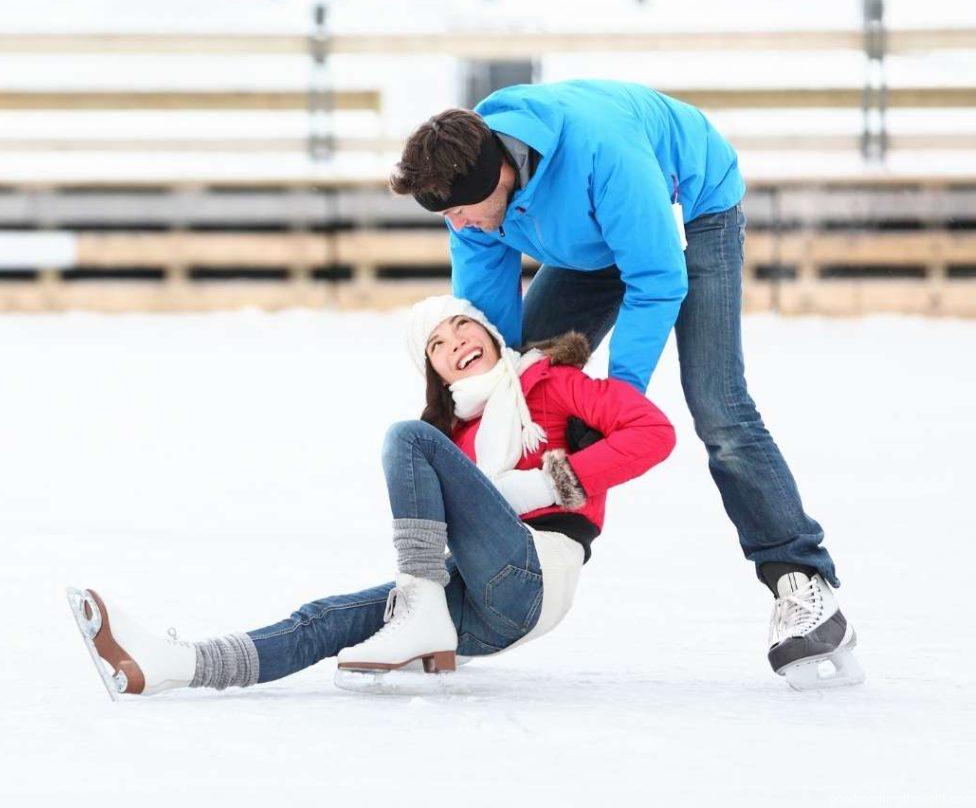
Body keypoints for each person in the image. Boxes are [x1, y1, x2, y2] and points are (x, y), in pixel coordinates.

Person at [388, 80, 864, 689]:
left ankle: (802, 582)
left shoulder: (602, 153)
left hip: (692, 210)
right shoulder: (467, 183)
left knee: (718, 406)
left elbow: (657, 279)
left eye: (459, 211)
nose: (457, 225)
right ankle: (504, 554)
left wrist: (621, 399)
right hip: (594, 237)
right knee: (523, 380)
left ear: (499, 176)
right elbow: (493, 346)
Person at [67, 295, 675, 699]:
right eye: (436, 344)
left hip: (538, 572)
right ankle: (178, 665)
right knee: (327, 618)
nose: (456, 340)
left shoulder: (553, 383)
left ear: (488, 331)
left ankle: (420, 610)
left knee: (406, 438)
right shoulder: (453, 440)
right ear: (437, 373)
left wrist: (548, 483)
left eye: (462, 323)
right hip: (488, 612)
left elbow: (655, 432)